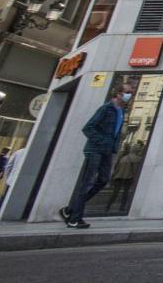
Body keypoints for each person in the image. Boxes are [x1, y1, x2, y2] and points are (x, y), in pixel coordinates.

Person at [60, 82, 132, 228]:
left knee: (104, 180)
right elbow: (88, 128)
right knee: (86, 183)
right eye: (128, 92)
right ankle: (75, 219)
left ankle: (70, 210)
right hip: (95, 150)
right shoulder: (106, 109)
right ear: (118, 94)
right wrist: (103, 141)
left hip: (107, 151)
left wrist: (113, 146)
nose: (130, 95)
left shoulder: (121, 110)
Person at [104, 144, 144, 213]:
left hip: (119, 177)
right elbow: (135, 170)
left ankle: (108, 206)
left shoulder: (124, 158)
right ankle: (122, 207)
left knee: (115, 193)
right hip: (128, 177)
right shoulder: (137, 159)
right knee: (125, 193)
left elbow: (117, 169)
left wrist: (114, 177)